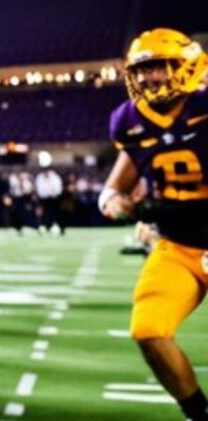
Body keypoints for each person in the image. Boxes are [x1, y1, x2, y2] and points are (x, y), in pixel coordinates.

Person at [99, 28, 208, 421]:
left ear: (186, 65)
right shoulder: (130, 121)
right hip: (179, 246)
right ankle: (198, 413)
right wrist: (114, 201)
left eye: (158, 67)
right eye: (141, 70)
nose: (148, 78)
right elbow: (115, 185)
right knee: (148, 328)